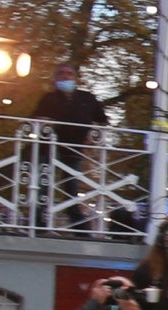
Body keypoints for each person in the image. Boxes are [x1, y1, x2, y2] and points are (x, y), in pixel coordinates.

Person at [28, 62, 110, 227]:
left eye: (69, 73)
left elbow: (103, 120)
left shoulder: (87, 98)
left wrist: (94, 139)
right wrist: (43, 121)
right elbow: (35, 119)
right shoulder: (48, 98)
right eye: (61, 74)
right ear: (55, 78)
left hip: (74, 149)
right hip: (49, 148)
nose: (65, 76)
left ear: (75, 78)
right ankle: (38, 221)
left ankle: (77, 224)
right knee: (43, 185)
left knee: (71, 188)